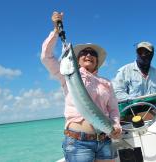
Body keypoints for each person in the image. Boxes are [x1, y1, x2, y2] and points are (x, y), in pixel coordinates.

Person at [40, 11, 122, 162]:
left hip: (104, 141)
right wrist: (56, 32)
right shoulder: (66, 75)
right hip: (78, 142)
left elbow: (113, 109)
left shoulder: (106, 83)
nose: (88, 55)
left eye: (92, 53)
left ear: (97, 61)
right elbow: (46, 56)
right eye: (84, 52)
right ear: (76, 61)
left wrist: (116, 126)